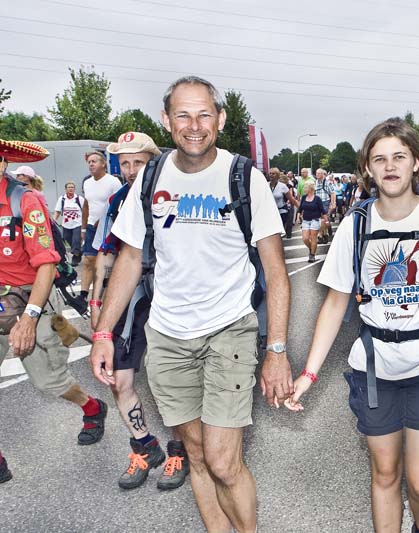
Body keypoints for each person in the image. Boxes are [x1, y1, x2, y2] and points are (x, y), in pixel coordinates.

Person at [89, 76, 292, 533]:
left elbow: (277, 273)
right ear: (166, 120)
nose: (194, 125)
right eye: (183, 114)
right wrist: (104, 333)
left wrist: (276, 350)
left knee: (223, 461)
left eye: (204, 114)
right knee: (196, 456)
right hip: (166, 336)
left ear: (220, 120)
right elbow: (131, 256)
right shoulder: (151, 177)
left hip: (229, 332)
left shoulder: (245, 177)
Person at [285, 118, 419, 533]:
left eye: (399, 156)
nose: (390, 166)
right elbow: (334, 303)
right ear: (368, 168)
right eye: (380, 159)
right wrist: (308, 373)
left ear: (416, 163)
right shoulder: (356, 226)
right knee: (385, 473)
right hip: (374, 368)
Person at [88, 131, 189, 491]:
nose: (131, 170)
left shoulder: (173, 196)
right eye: (125, 163)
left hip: (169, 293)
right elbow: (105, 253)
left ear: (153, 162)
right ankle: (144, 446)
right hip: (129, 294)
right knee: (119, 378)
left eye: (138, 163)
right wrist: (97, 302)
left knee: (174, 380)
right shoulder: (115, 201)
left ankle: (180, 448)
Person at [1, 147, 109, 462]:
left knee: (48, 380)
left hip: (32, 294)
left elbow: (46, 265)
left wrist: (30, 319)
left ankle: (91, 407)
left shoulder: (25, 201)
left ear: (4, 162)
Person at [79, 151, 123, 305]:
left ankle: (109, 290)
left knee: (107, 261)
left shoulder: (113, 182)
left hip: (108, 228)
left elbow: (119, 205)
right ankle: (83, 294)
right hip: (91, 226)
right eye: (89, 162)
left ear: (103, 164)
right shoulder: (87, 183)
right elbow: (86, 205)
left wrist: (104, 220)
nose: (91, 164)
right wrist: (83, 228)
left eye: (94, 161)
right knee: (88, 260)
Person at [53, 181, 84, 265]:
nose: (71, 189)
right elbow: (58, 211)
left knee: (76, 240)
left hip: (77, 224)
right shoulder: (62, 199)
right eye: (69, 187)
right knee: (67, 238)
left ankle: (75, 257)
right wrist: (54, 220)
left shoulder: (79, 199)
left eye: (72, 187)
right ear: (65, 189)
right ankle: (79, 251)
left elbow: (85, 211)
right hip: (66, 224)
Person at [295, 181, 324, 263]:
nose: (304, 189)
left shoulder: (317, 198)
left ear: (310, 189)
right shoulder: (304, 197)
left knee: (313, 237)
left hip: (315, 219)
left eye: (305, 187)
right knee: (305, 238)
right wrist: (298, 217)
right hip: (305, 220)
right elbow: (300, 209)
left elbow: (322, 210)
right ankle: (312, 248)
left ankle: (312, 255)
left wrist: (326, 220)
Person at [314, 168, 336, 244]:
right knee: (319, 220)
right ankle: (324, 234)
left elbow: (332, 193)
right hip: (317, 203)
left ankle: (322, 235)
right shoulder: (315, 182)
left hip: (325, 202)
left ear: (323, 174)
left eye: (319, 173)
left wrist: (333, 203)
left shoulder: (327, 182)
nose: (317, 175)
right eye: (317, 173)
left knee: (323, 219)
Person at [268, 167, 291, 238]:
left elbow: (291, 198)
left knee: (278, 229)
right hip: (270, 211)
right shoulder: (266, 185)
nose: (271, 175)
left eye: (273, 174)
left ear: (277, 175)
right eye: (270, 173)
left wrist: (300, 208)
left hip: (281, 210)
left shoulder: (282, 186)